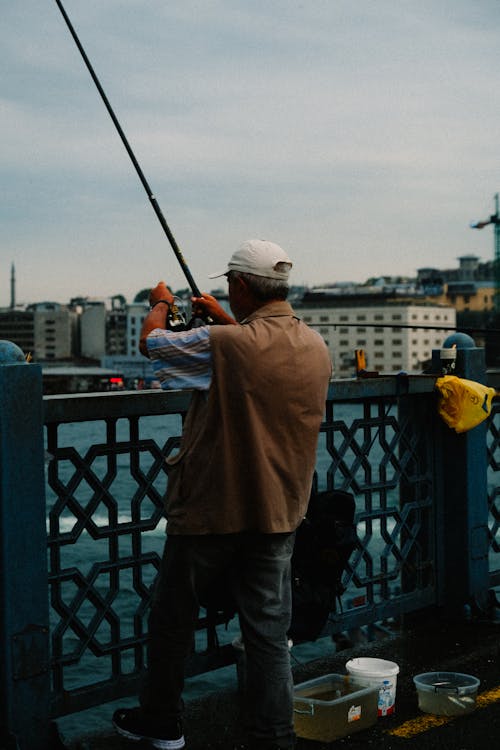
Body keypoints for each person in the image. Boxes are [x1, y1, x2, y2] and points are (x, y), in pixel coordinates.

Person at [113, 239, 332, 750]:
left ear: (237, 286)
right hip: (279, 512)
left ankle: (162, 720)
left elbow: (155, 347)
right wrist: (225, 322)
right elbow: (262, 354)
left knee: (173, 618)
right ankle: (274, 736)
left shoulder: (224, 345)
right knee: (268, 637)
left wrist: (160, 303)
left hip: (215, 509)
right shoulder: (315, 346)